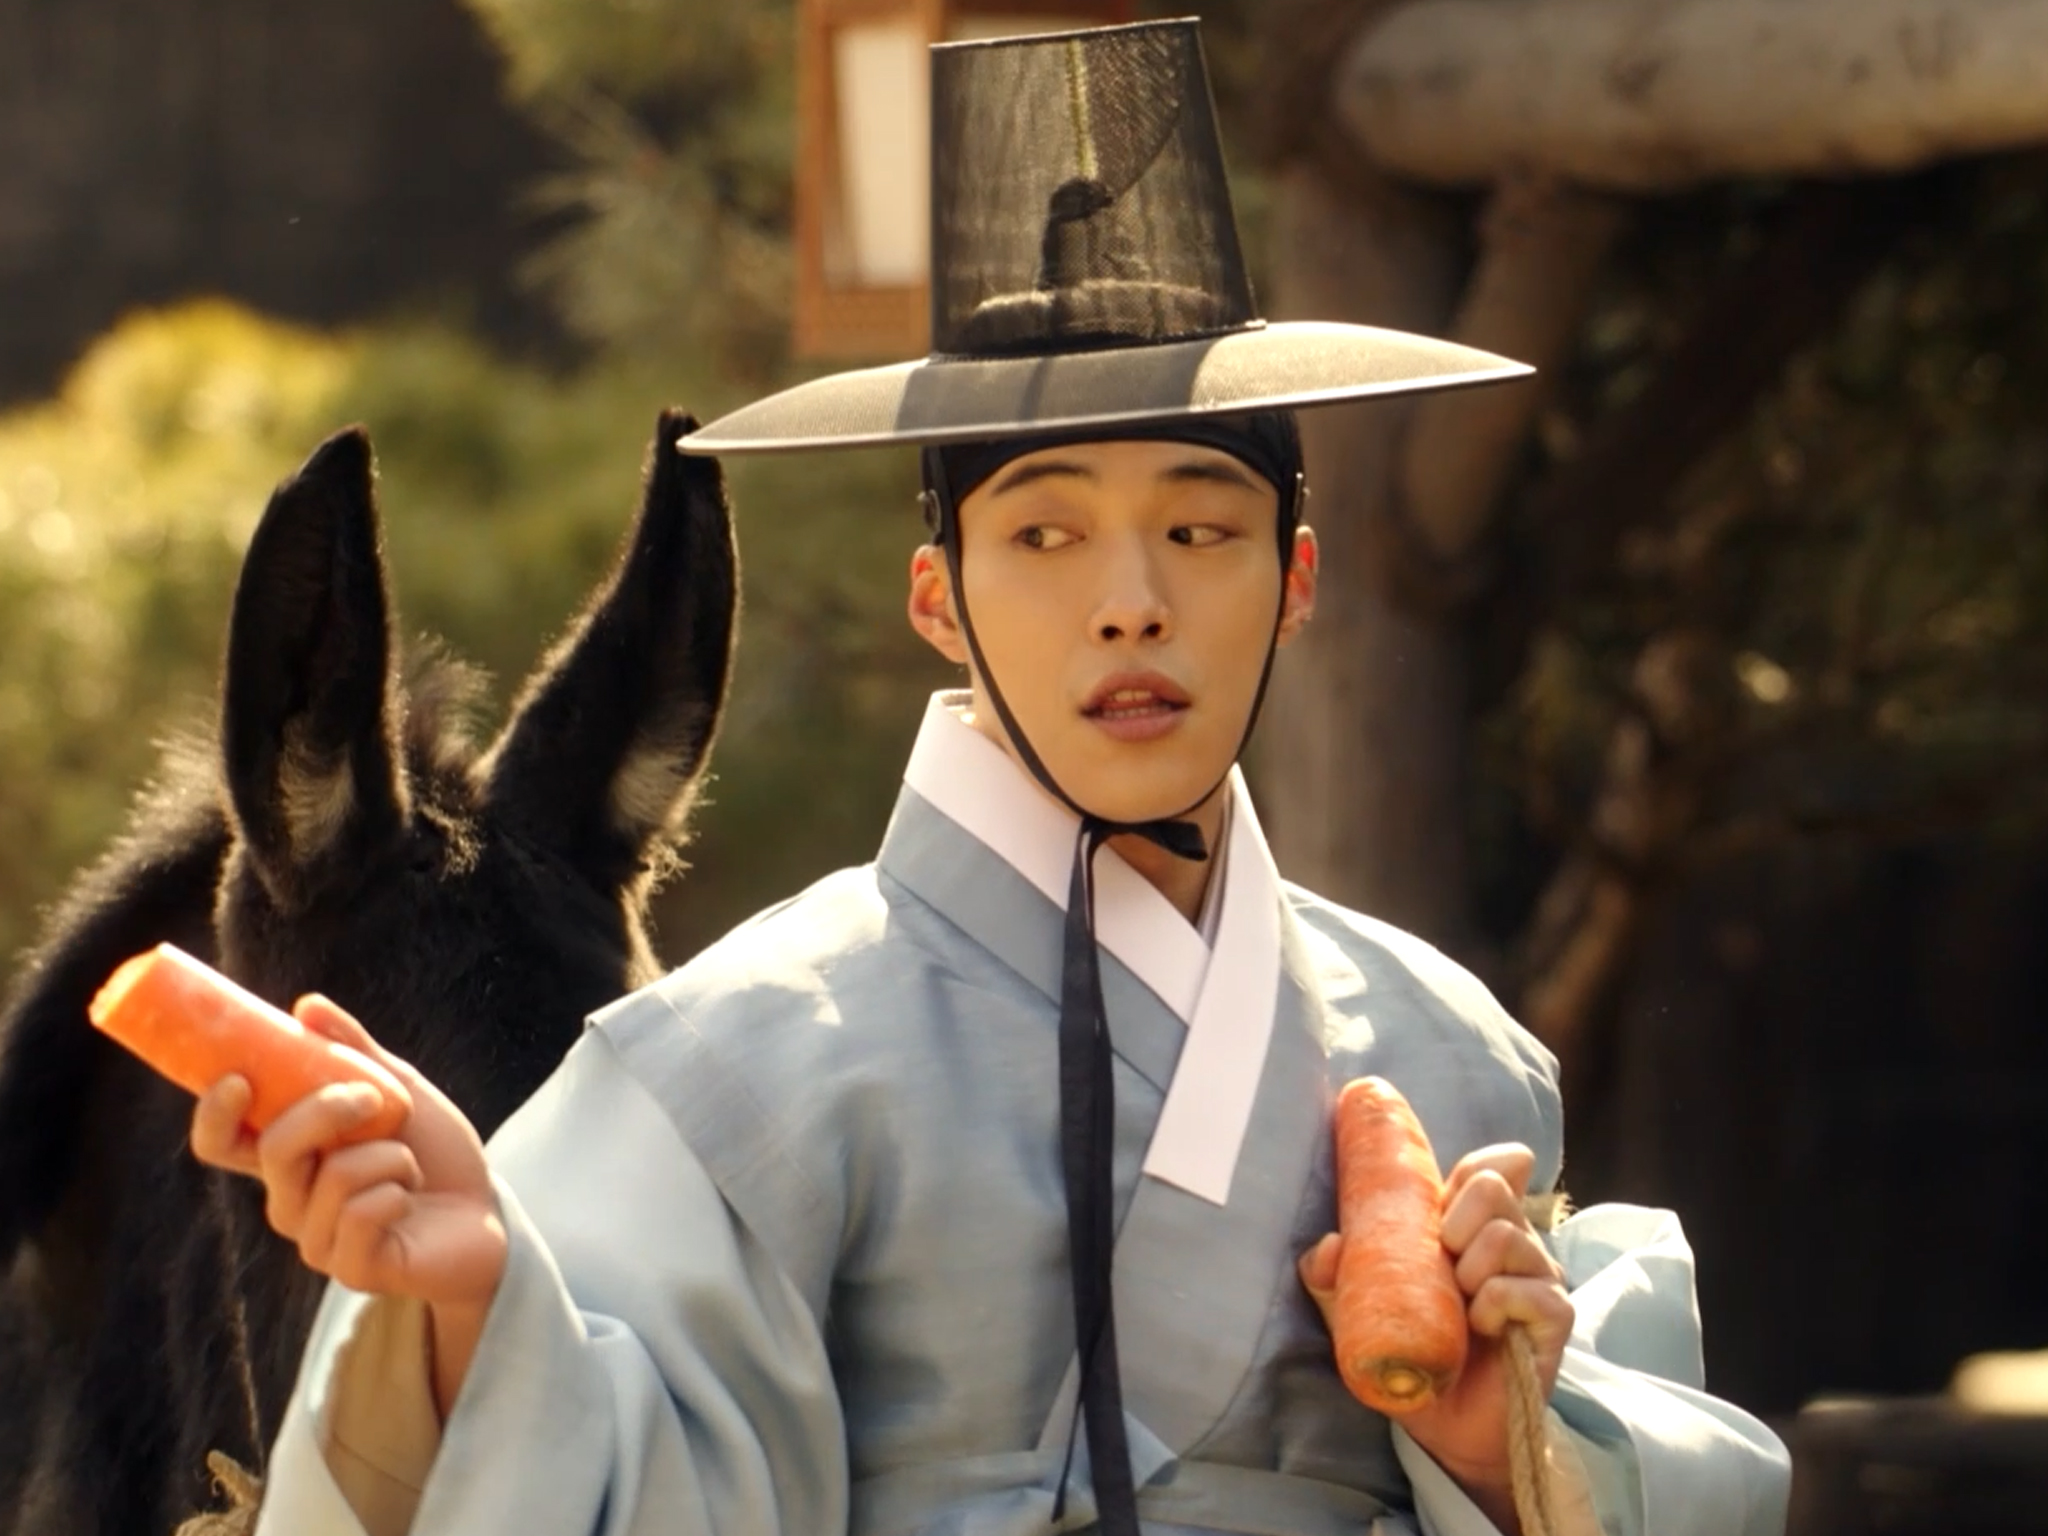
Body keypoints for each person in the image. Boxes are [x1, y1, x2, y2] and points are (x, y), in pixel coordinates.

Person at [195, 20, 1791, 1536]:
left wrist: (1502, 1453)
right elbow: (600, 1466)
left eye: (1201, 529)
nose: (1132, 602)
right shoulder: (743, 1067)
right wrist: (475, 1307)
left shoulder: (1458, 1061)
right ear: (938, 600)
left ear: (1296, 581)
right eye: (1043, 534)